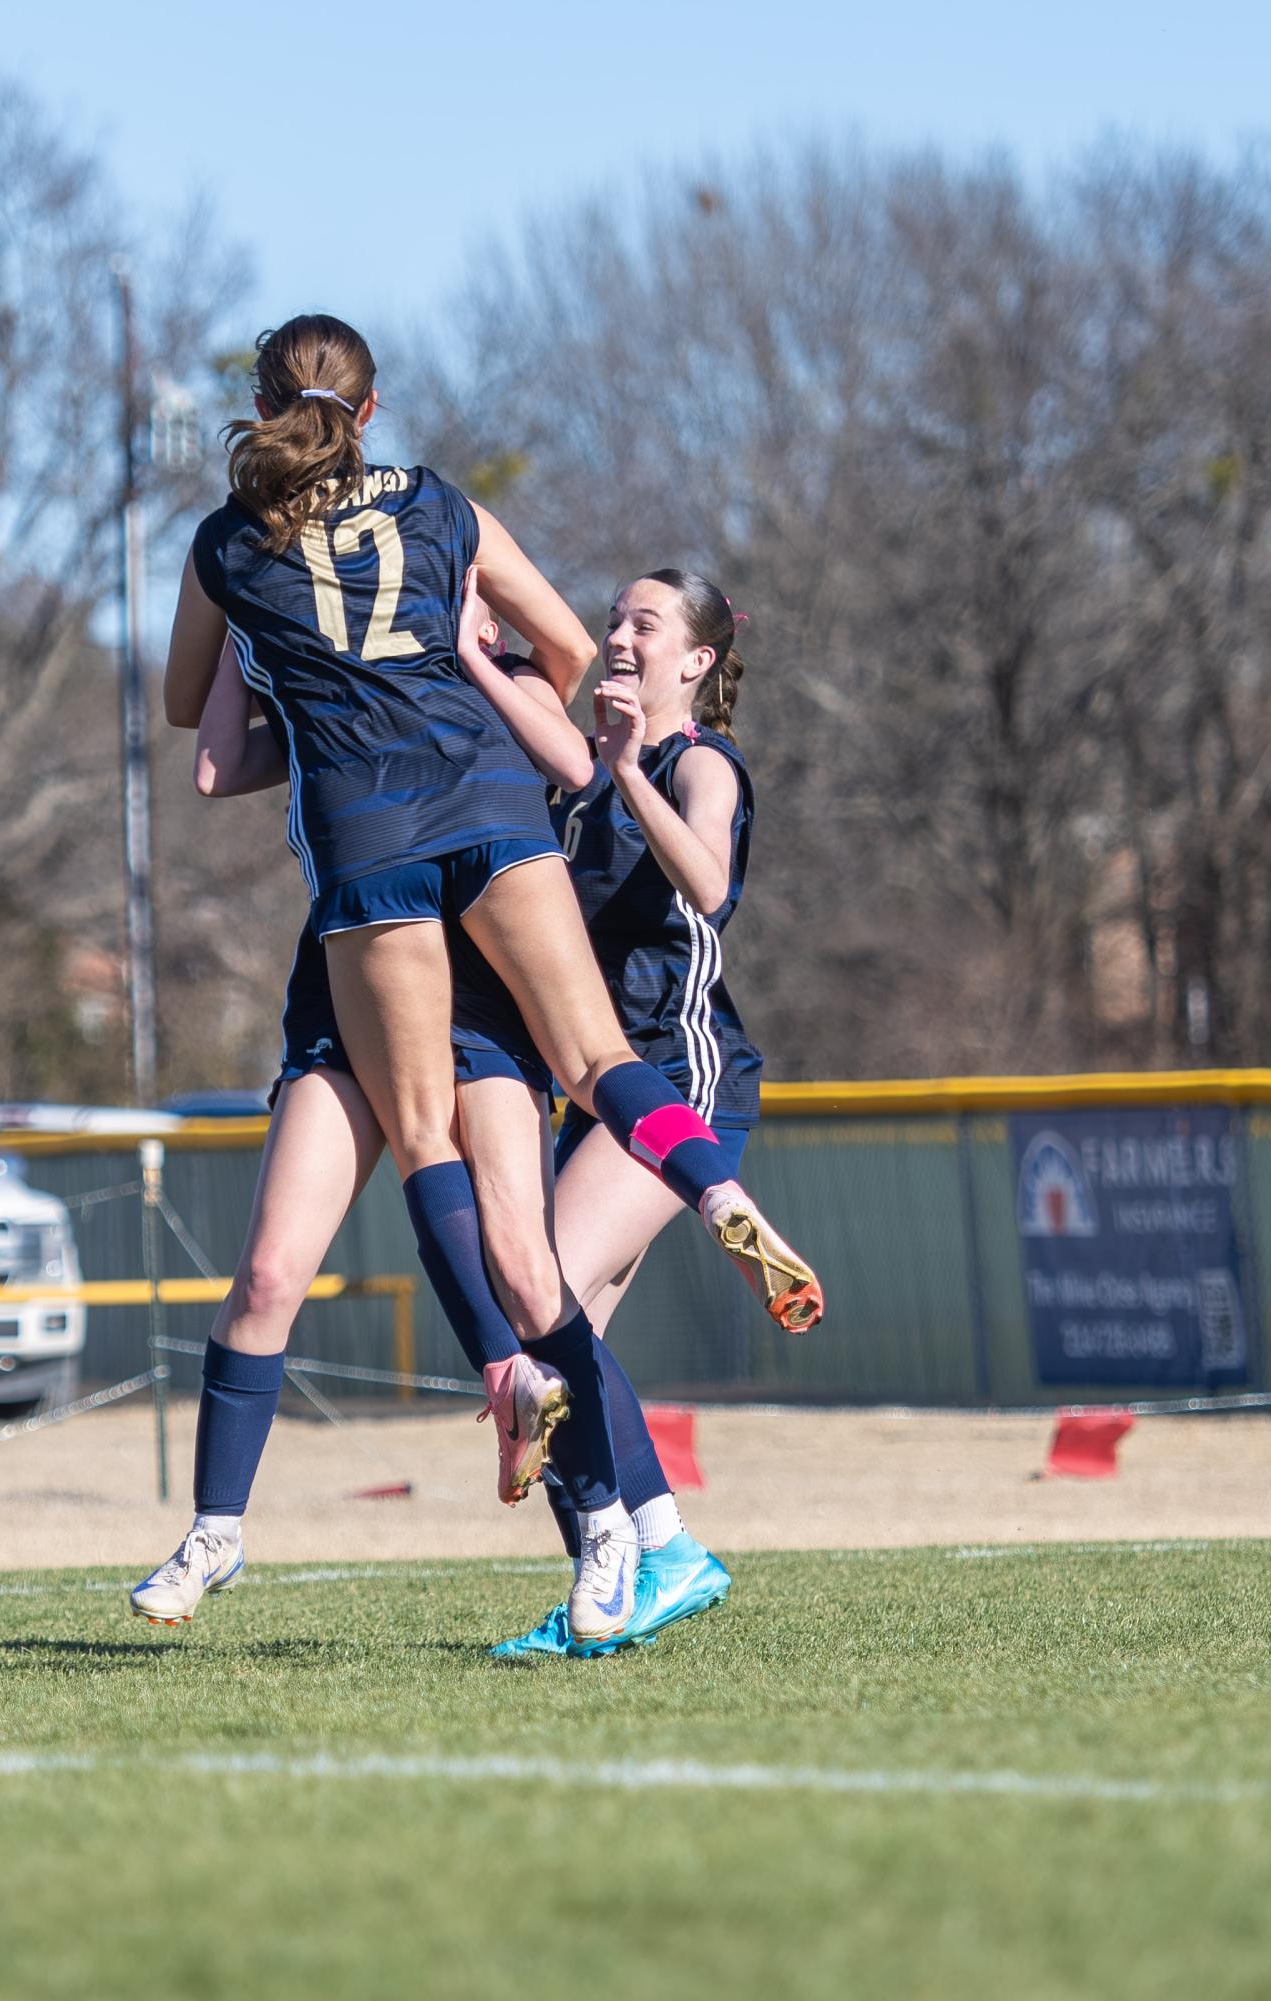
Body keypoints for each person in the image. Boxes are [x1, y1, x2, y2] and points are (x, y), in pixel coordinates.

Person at [163, 313, 822, 1638]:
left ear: (260, 406)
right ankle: (714, 1197)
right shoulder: (441, 507)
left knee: (436, 1171)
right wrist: (463, 667)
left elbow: (199, 733)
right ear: (375, 404)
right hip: (488, 821)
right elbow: (575, 674)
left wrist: (290, 666)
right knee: (592, 1088)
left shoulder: (229, 547)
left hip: (370, 858)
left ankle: (548, 1483)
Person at [134, 612, 708, 1648]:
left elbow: (577, 760)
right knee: (268, 1276)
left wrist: (489, 660)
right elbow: (216, 763)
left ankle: (612, 1533)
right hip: (346, 980)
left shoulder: (499, 682)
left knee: (530, 1283)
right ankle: (214, 1531)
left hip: (474, 1010)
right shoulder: (332, 685)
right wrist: (229, 604)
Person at [478, 569, 771, 1656]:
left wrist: (625, 769)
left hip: (679, 1079)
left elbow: (706, 882)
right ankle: (631, 1573)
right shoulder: (582, 784)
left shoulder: (697, 765)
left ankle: (654, 1553)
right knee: (551, 1355)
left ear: (694, 660)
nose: (615, 637)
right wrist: (474, 654)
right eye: (610, 620)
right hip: (589, 1085)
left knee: (533, 1307)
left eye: (642, 624)